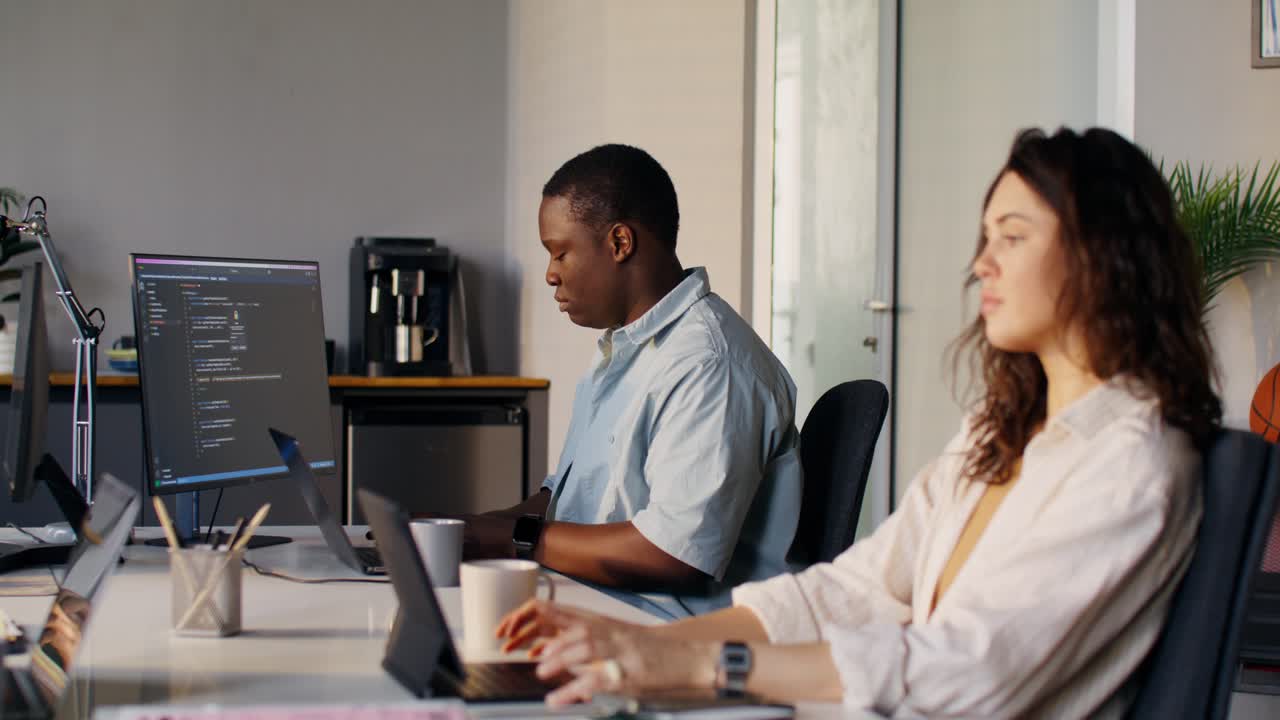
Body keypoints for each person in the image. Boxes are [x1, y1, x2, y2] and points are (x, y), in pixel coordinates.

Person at [493, 127, 1222, 717]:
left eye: (1012, 236)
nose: (981, 263)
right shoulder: (997, 435)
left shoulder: (1133, 460)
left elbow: (969, 674)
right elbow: (850, 590)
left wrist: (692, 662)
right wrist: (640, 645)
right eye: (984, 237)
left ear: (1101, 257)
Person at [450, 143, 802, 618]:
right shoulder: (624, 353)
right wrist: (468, 530)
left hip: (663, 634)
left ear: (619, 243)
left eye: (559, 252)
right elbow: (561, 498)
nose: (551, 275)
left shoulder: (708, 364)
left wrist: (515, 539)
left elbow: (672, 554)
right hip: (594, 603)